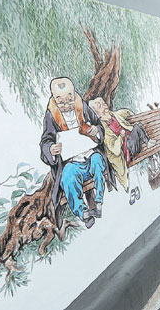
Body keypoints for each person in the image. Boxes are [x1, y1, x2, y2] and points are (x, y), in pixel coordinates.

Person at [40, 77, 116, 229]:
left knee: (97, 161)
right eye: (61, 102)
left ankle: (98, 202)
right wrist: (50, 149)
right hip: (72, 163)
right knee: (67, 177)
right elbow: (45, 141)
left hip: (90, 155)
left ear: (74, 94)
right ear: (54, 100)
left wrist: (96, 131)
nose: (67, 105)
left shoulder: (82, 107)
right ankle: (83, 213)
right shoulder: (51, 115)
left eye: (70, 99)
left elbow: (98, 126)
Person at [88, 97, 156, 204]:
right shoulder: (103, 128)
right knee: (137, 127)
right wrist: (120, 136)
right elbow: (115, 150)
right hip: (122, 154)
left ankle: (148, 142)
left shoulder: (114, 115)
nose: (104, 106)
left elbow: (125, 112)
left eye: (103, 103)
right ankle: (133, 192)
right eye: (99, 106)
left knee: (137, 127)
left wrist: (132, 115)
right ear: (97, 114)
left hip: (130, 145)